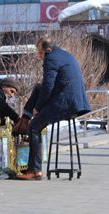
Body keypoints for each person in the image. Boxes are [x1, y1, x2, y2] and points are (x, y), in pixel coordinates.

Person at [15, 36, 91, 180]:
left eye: (40, 52)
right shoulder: (64, 54)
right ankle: (24, 118)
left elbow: (49, 85)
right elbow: (45, 86)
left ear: (47, 50)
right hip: (74, 100)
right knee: (38, 88)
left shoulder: (51, 58)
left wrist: (38, 107)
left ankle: (34, 170)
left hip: (67, 102)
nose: (39, 56)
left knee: (34, 128)